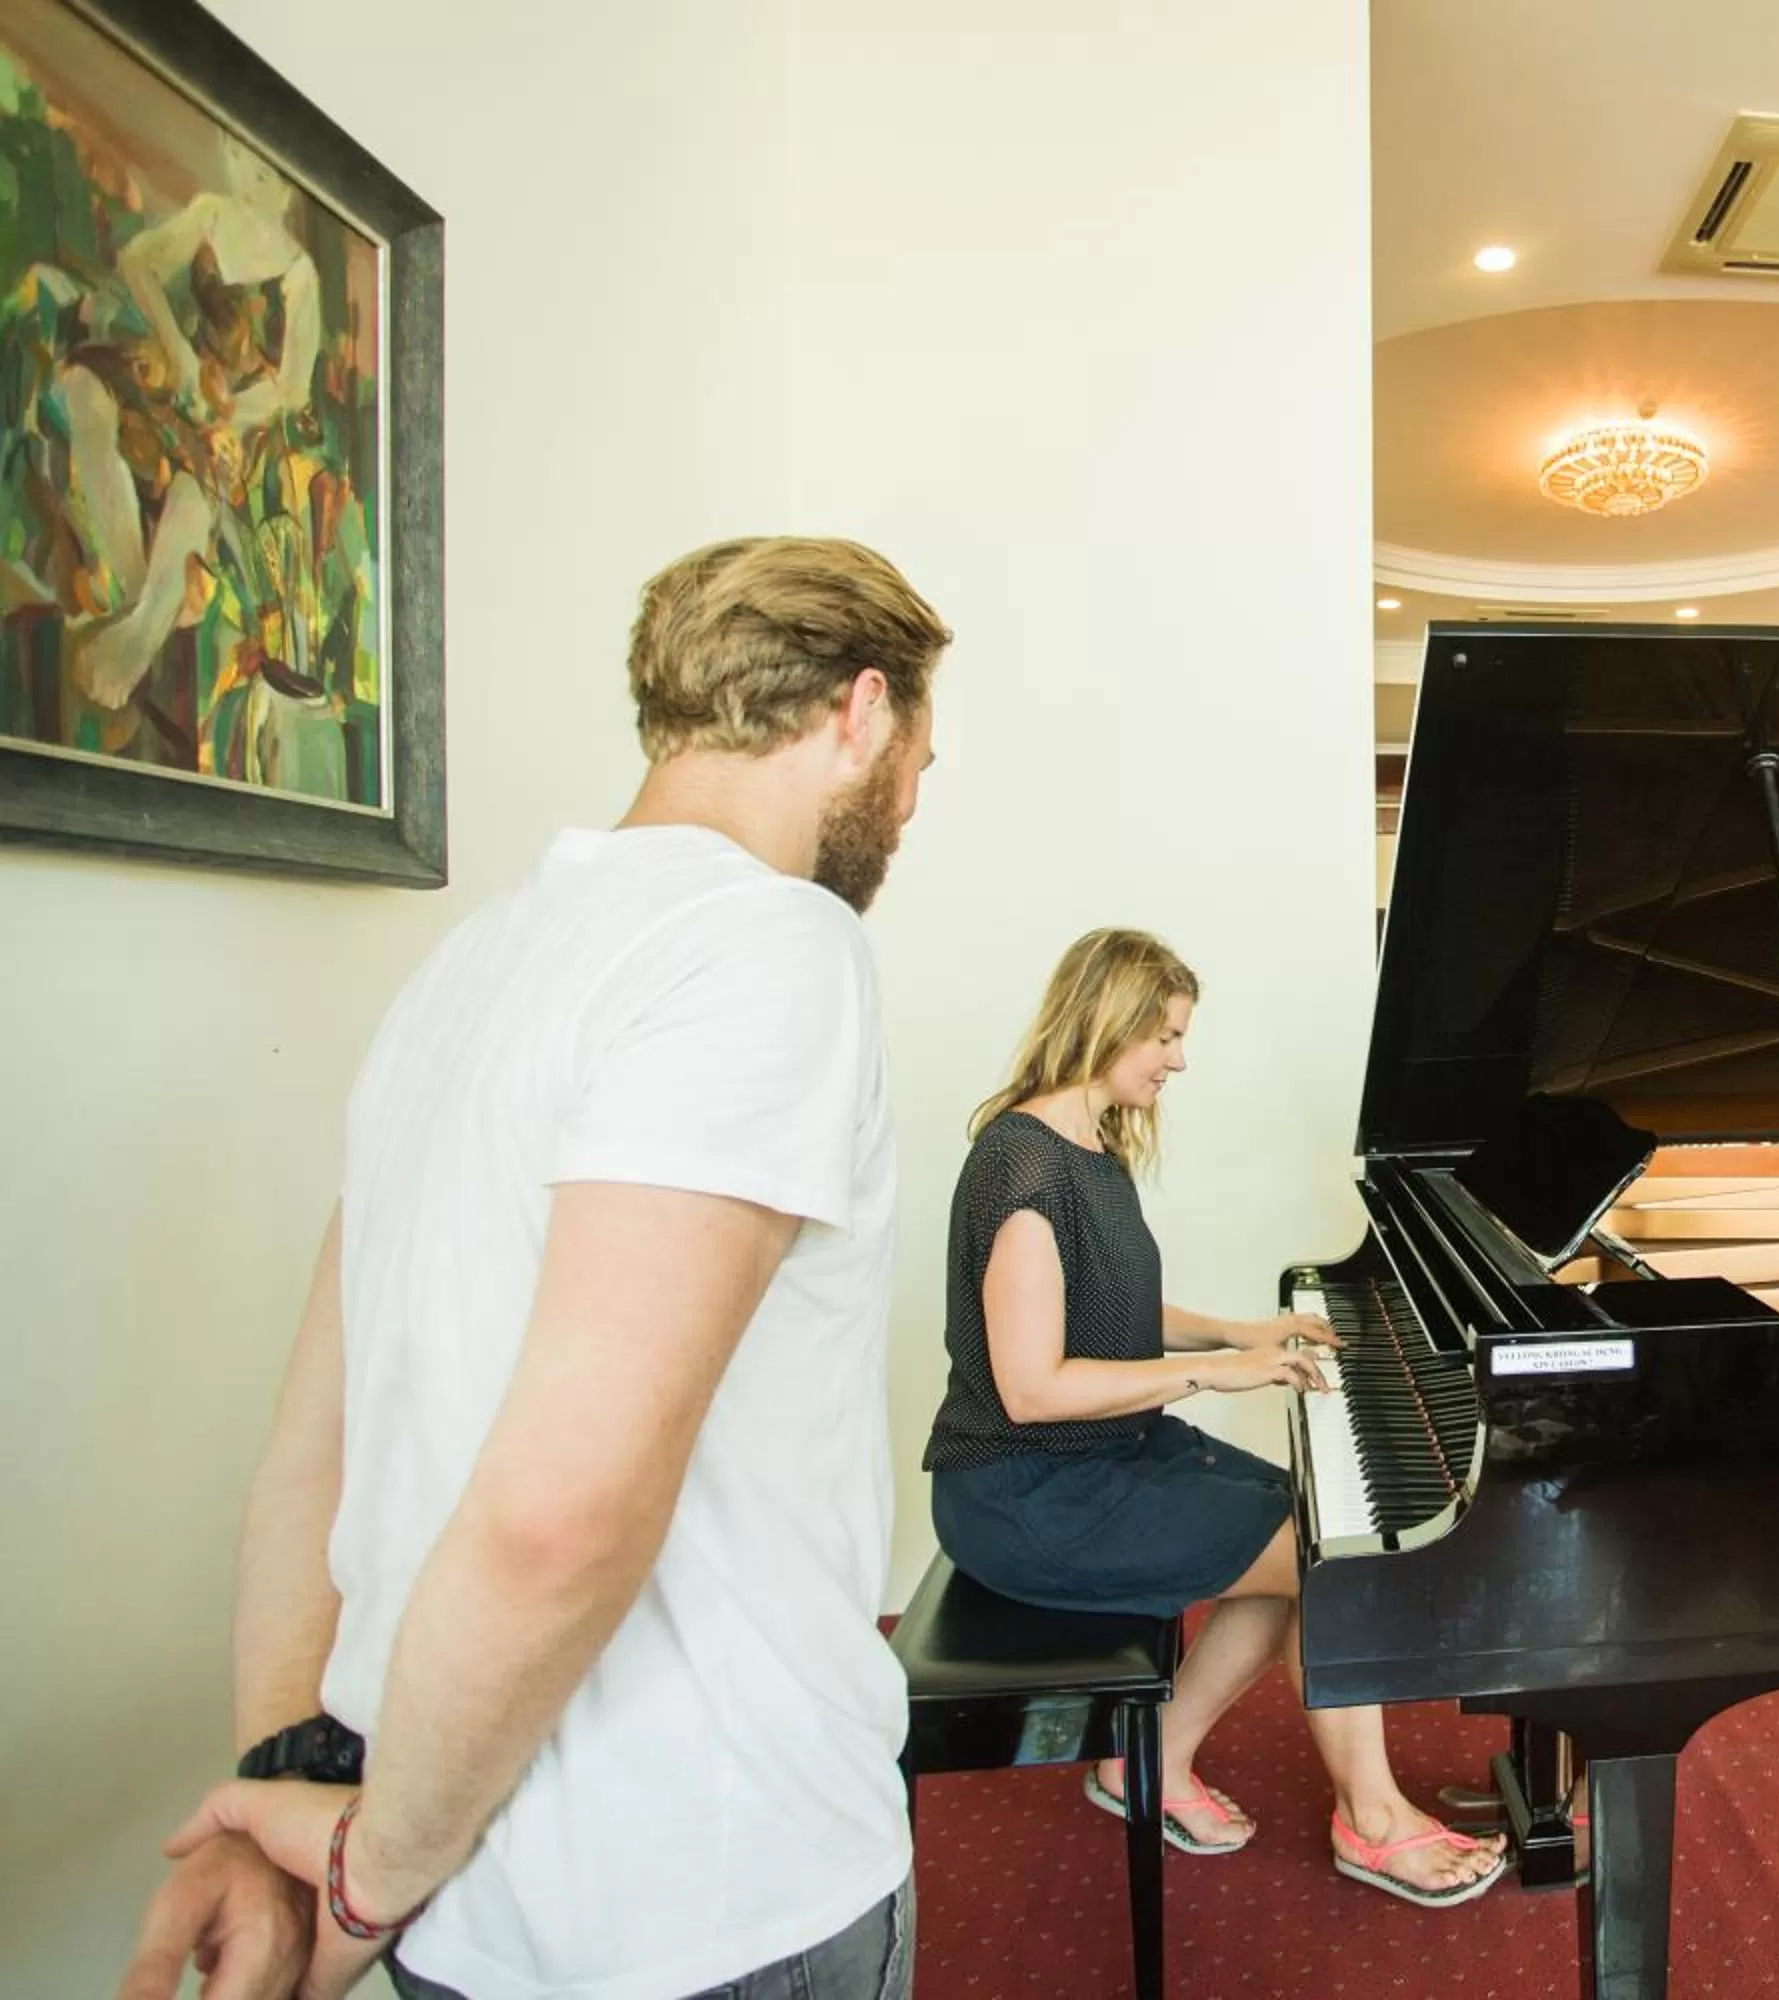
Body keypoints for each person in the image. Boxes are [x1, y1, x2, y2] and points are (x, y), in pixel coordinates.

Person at [118, 536, 952, 2000]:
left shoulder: (465, 973)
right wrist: (362, 1881)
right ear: (862, 713)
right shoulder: (767, 943)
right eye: (922, 764)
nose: (910, 808)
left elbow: (313, 1454)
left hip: (469, 1910)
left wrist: (288, 1788)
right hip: (713, 1892)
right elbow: (560, 1516)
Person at [925, 929, 1505, 1908]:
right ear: (1108, 1020)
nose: (1180, 1058)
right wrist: (1217, 1375)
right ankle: (1372, 1817)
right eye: (1168, 1035)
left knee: (1308, 1529)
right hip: (1027, 1490)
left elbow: (1105, 1304)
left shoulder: (1086, 1145)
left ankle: (1150, 1757)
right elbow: (1031, 1386)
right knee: (1330, 1561)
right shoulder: (1022, 1171)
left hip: (1098, 1454)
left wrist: (1248, 1328)